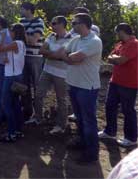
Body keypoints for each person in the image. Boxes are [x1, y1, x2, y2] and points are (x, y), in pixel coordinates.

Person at [56, 13, 103, 164]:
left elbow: (73, 58)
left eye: (74, 22)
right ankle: (83, 142)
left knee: (89, 121)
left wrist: (69, 58)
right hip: (74, 84)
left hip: (87, 87)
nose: (72, 25)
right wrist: (69, 59)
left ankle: (91, 153)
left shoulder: (94, 41)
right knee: (80, 119)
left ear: (82, 24)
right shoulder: (76, 39)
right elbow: (63, 54)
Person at [26, 16, 72, 134]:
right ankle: (38, 118)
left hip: (61, 74)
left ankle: (61, 125)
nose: (51, 25)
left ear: (62, 24)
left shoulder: (71, 39)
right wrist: (55, 55)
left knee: (61, 99)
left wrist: (51, 54)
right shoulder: (51, 36)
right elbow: (41, 51)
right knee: (38, 94)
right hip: (47, 70)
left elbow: (59, 55)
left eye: (54, 23)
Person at [99, 23, 138, 147]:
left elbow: (121, 61)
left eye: (117, 32)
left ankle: (131, 138)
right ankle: (110, 132)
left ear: (122, 31)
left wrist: (115, 58)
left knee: (128, 110)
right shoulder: (120, 44)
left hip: (129, 83)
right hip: (115, 81)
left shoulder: (135, 43)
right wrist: (116, 58)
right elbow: (109, 57)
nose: (116, 35)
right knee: (110, 106)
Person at [0, 23, 26, 142]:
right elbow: (12, 56)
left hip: (11, 78)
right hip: (17, 75)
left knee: (7, 104)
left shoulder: (15, 43)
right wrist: (6, 59)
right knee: (16, 104)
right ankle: (18, 130)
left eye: (10, 31)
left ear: (15, 32)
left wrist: (3, 36)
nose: (9, 32)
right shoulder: (21, 43)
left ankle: (11, 132)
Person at [19, 2, 45, 121]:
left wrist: (23, 34)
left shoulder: (39, 22)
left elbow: (33, 41)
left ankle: (38, 113)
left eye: (22, 9)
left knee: (37, 85)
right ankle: (27, 110)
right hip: (23, 56)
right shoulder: (21, 21)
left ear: (29, 10)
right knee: (24, 85)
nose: (21, 11)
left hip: (35, 57)